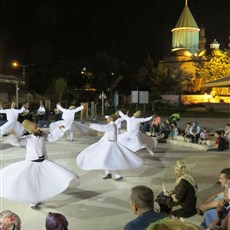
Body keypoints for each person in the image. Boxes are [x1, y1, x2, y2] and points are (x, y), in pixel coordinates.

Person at [0, 119, 80, 210]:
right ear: (31, 131)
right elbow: (17, 142)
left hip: (44, 162)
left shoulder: (42, 136)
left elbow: (52, 137)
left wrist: (59, 129)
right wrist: (12, 135)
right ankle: (33, 202)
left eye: (37, 126)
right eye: (35, 128)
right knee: (34, 183)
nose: (38, 128)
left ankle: (41, 195)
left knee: (45, 179)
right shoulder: (28, 139)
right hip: (33, 164)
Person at [76, 114, 144, 181]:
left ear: (111, 119)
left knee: (112, 160)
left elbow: (101, 128)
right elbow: (105, 128)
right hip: (109, 144)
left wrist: (89, 124)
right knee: (107, 159)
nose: (107, 119)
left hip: (111, 145)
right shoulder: (112, 125)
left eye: (108, 118)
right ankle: (109, 173)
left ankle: (117, 175)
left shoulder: (111, 125)